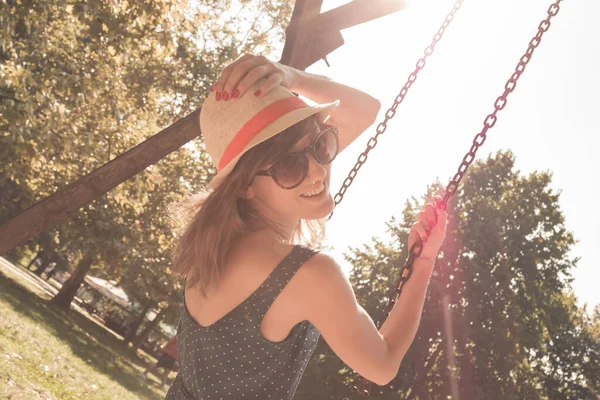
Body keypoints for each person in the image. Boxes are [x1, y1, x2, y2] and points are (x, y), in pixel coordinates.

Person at [165, 54, 447, 399]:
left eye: (322, 145)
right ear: (244, 186)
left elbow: (366, 110)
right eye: (288, 167)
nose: (317, 172)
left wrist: (285, 76)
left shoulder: (210, 249)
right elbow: (383, 364)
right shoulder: (307, 275)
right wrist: (423, 264)